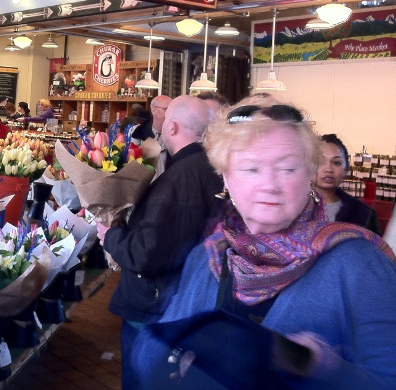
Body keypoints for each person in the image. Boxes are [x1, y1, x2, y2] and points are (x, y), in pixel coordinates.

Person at [132, 99, 396, 389]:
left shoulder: (361, 266)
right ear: (226, 180)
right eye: (251, 168)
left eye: (288, 169)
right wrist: (174, 361)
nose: (270, 184)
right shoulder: (209, 256)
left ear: (309, 175)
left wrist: (318, 367)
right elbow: (152, 350)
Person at [101, 95, 222, 389]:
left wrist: (111, 236)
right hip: (184, 299)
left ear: (173, 127)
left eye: (166, 121)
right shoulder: (209, 167)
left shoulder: (178, 178)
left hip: (155, 306)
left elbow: (146, 254)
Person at [313, 133, 380, 233]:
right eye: (320, 161)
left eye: (337, 163)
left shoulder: (363, 214)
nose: (329, 169)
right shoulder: (293, 207)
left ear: (346, 169)